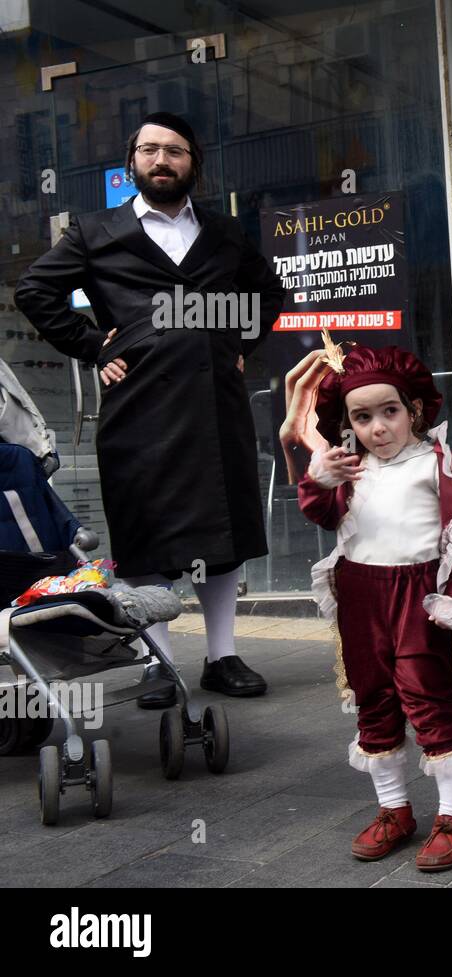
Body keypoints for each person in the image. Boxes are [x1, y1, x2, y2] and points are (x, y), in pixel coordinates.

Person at [15, 111, 285, 702]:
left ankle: (223, 656)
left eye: (176, 152)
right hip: (139, 405)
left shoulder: (224, 231)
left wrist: (233, 340)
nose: (162, 161)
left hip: (216, 401)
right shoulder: (96, 231)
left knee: (225, 529)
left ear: (194, 165)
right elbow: (35, 290)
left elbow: (269, 294)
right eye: (150, 151)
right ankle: (159, 663)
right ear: (132, 161)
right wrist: (91, 347)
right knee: (146, 528)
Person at [298, 345, 452, 871]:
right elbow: (319, 514)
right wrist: (318, 478)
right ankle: (394, 810)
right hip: (361, 593)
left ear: (413, 409)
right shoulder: (350, 469)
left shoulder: (440, 464)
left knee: (426, 694)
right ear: (349, 423)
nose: (378, 427)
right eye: (363, 417)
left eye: (390, 411)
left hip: (417, 594)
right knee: (373, 698)